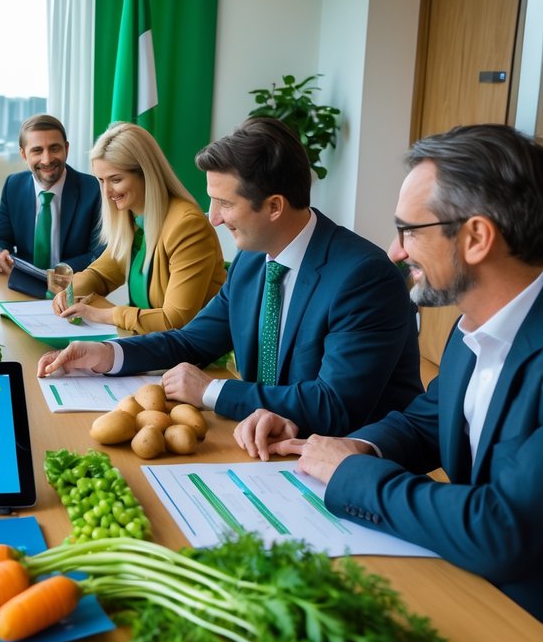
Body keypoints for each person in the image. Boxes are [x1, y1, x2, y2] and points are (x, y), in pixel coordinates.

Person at [265, 124, 543, 620]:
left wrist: (351, 473)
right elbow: (428, 420)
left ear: (476, 237)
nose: (395, 251)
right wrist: (353, 445)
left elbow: (503, 528)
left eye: (409, 231)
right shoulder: (471, 327)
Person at [37, 117, 422, 437]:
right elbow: (192, 341)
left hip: (347, 465)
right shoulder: (253, 261)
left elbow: (333, 406)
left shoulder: (364, 278)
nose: (212, 217)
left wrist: (212, 391)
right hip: (262, 448)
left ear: (274, 207)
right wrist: (108, 354)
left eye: (224, 203)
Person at [50, 122, 226, 332]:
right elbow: (101, 274)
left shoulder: (188, 226)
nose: (106, 193)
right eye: (101, 181)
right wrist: (68, 292)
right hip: (148, 345)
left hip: (195, 358)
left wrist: (103, 313)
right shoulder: (133, 216)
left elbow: (175, 321)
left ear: (146, 174)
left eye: (115, 180)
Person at [0, 114, 104, 296]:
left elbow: (100, 254)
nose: (47, 160)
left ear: (67, 149)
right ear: (24, 154)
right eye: (37, 151)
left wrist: (55, 275)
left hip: (76, 292)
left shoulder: (94, 189)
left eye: (54, 148)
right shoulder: (13, 186)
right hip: (22, 290)